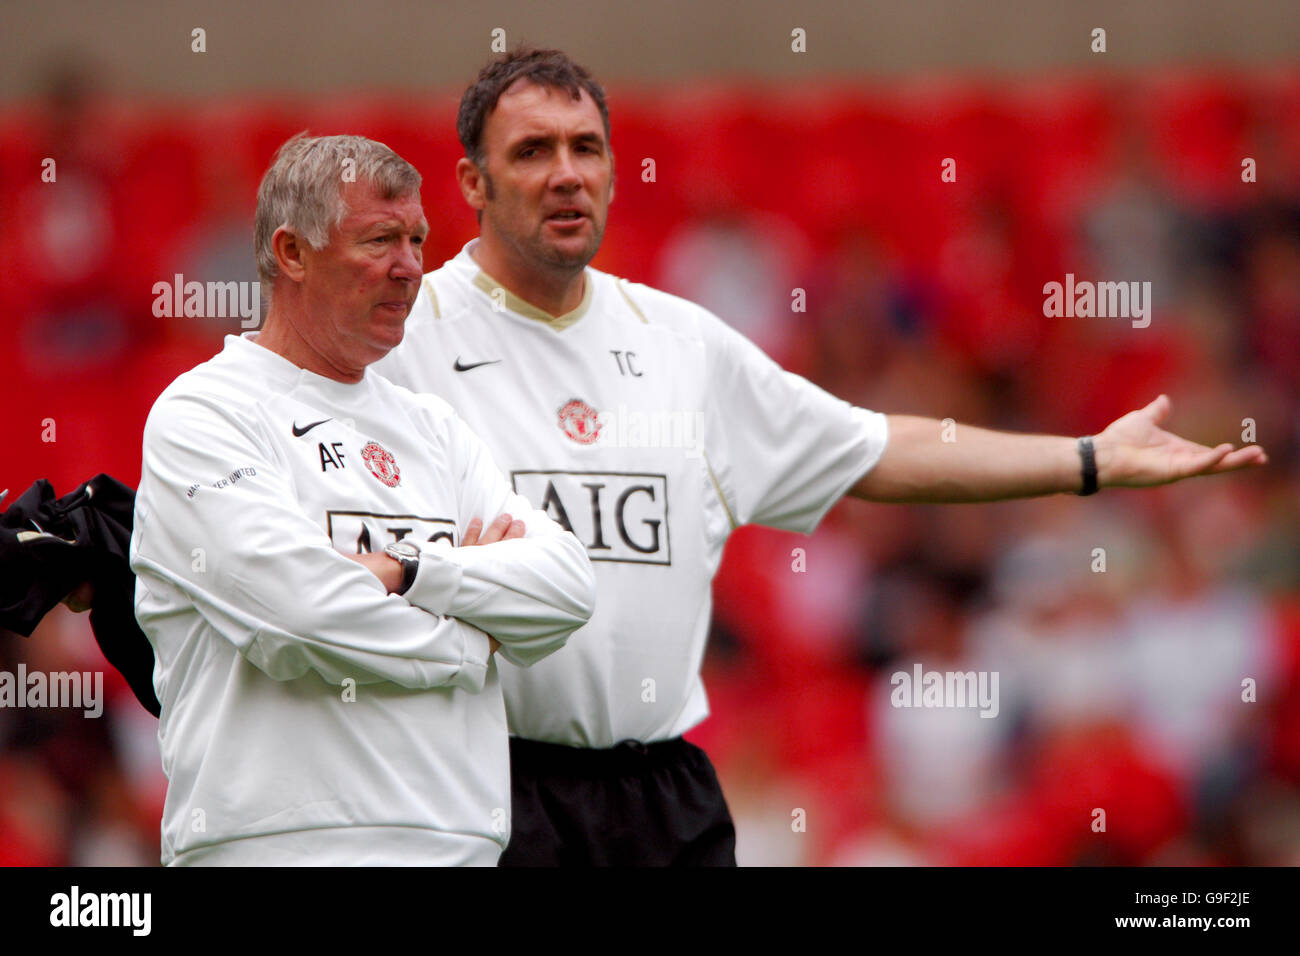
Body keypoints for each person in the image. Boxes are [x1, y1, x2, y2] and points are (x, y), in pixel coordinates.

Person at [369, 48, 1268, 867]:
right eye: (531, 152)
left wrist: (1085, 459)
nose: (566, 175)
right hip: (482, 793)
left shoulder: (682, 344)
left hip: (661, 800)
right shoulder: (399, 348)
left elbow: (882, 447)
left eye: (586, 149)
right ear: (471, 183)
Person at [129, 133, 596, 866]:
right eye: (380, 239)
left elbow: (567, 586)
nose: (411, 267)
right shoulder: (205, 415)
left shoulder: (435, 427)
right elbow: (301, 618)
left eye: (416, 239)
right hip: (281, 850)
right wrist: (477, 637)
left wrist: (412, 574)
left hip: (460, 847)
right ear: (291, 253)